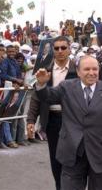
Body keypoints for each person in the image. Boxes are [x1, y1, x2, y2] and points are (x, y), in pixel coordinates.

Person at [35, 55, 102, 190]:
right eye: (86, 69)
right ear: (78, 72)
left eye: (94, 69)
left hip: (100, 153)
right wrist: (41, 84)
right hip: (71, 152)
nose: (91, 73)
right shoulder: (66, 87)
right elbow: (48, 97)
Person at [27, 36, 77, 190]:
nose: (60, 51)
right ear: (53, 50)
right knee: (56, 161)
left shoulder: (79, 69)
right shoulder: (45, 69)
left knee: (75, 161)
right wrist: (30, 120)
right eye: (57, 48)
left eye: (63, 47)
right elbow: (36, 97)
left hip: (74, 121)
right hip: (52, 121)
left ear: (69, 49)